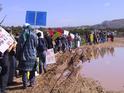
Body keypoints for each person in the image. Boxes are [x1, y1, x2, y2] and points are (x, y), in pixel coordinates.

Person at [16, 23, 38, 89]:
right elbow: (36, 45)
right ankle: (32, 83)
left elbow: (20, 46)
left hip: (24, 56)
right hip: (33, 55)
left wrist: (18, 54)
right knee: (32, 70)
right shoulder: (34, 34)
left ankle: (25, 84)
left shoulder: (22, 35)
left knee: (24, 71)